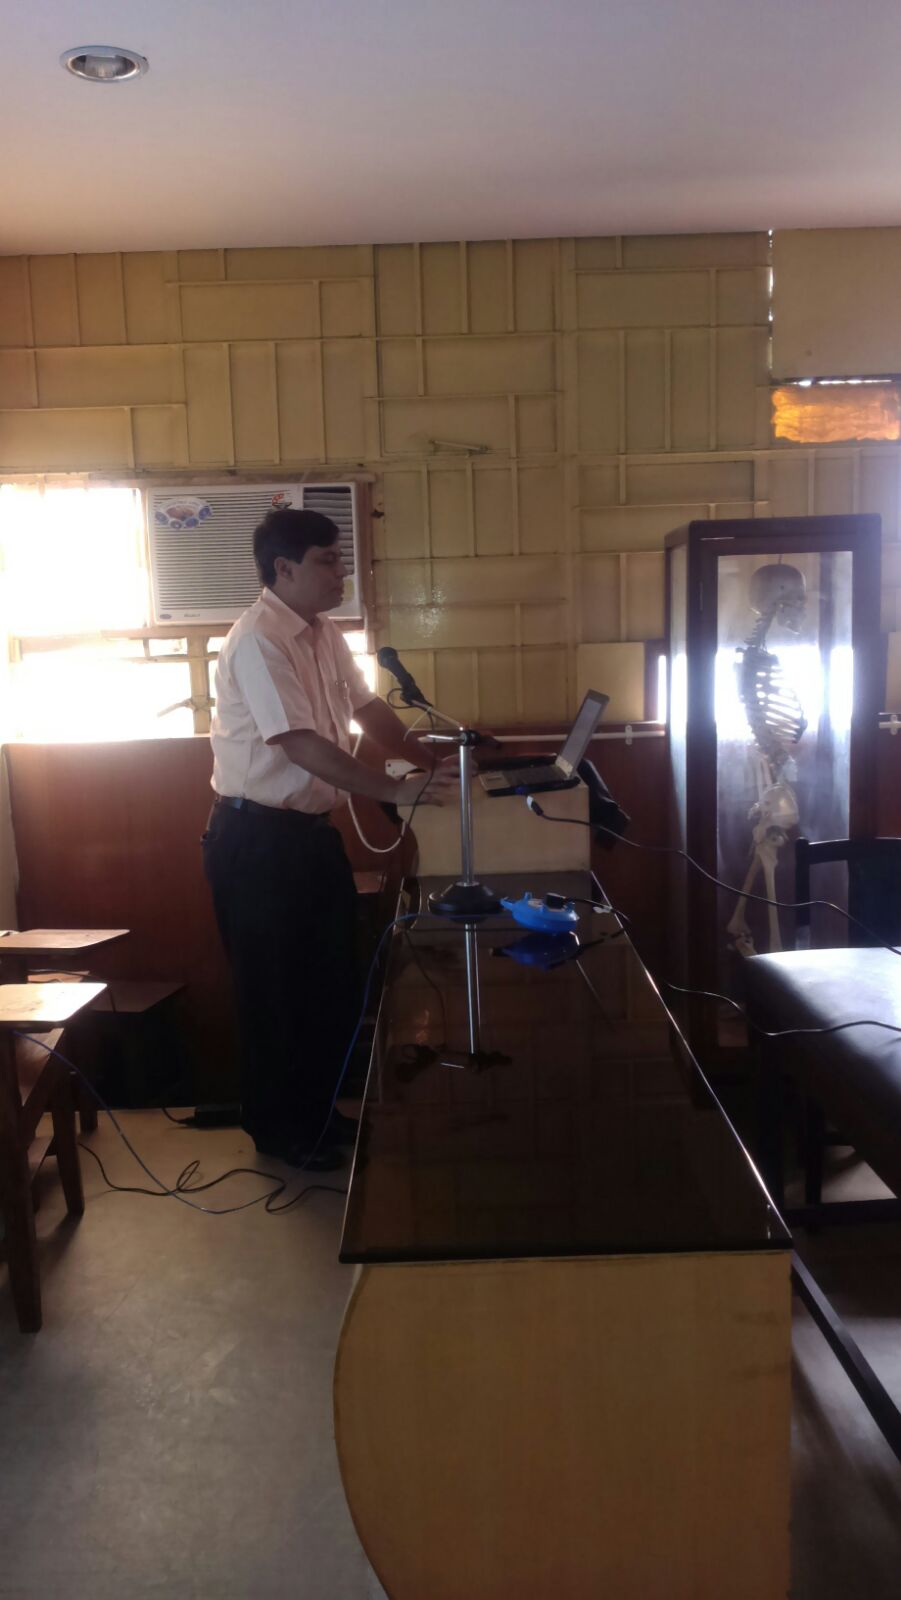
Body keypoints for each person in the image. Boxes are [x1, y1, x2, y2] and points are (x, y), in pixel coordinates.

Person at [202, 507, 456, 1170]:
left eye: (341, 558)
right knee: (274, 991)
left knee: (329, 983)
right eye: (327, 560)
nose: (342, 571)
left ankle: (318, 1114)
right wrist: (393, 792)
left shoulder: (323, 632)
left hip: (309, 837)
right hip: (256, 841)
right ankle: (280, 1131)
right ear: (283, 568)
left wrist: (429, 761)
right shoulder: (258, 639)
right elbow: (299, 743)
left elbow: (367, 709)